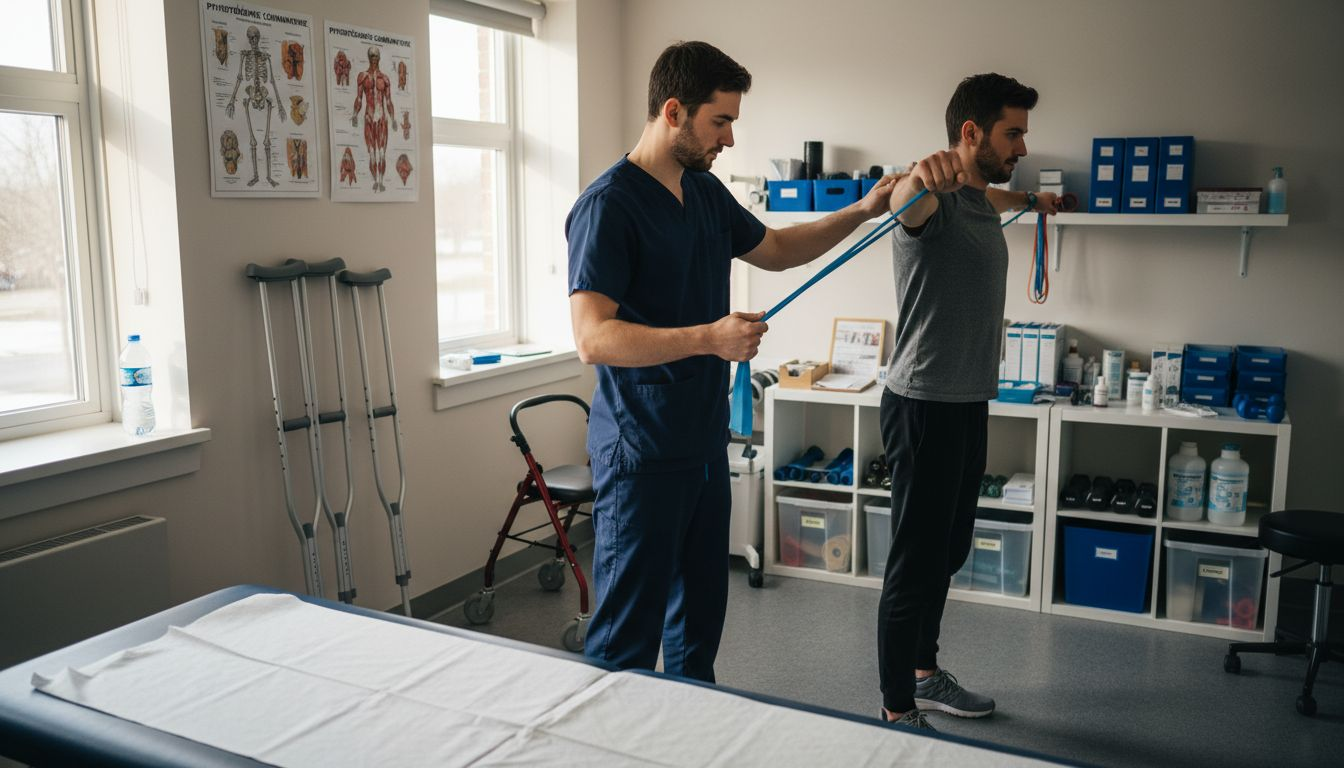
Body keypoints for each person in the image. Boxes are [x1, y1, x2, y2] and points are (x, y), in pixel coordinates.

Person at [567, 41, 896, 681]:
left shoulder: (704, 192)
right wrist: (709, 338)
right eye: (720, 121)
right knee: (624, 643)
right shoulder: (608, 205)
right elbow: (593, 339)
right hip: (640, 453)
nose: (729, 138)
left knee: (697, 631)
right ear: (673, 112)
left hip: (701, 444)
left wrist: (860, 211)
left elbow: (776, 248)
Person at [876, 73, 1060, 729]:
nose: (1022, 146)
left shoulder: (980, 198)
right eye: (1013, 134)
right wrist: (916, 178)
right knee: (915, 564)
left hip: (967, 401)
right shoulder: (934, 201)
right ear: (971, 133)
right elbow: (905, 205)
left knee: (947, 553)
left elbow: (996, 190)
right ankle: (897, 709)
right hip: (923, 402)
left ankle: (924, 674)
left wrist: (1034, 199)